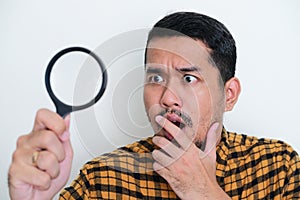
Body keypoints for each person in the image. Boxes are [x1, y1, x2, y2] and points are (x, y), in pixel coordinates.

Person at [8, 11, 300, 199]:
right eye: (156, 77)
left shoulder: (279, 166)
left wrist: (201, 192)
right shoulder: (101, 180)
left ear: (230, 94)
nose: (167, 97)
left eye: (188, 78)